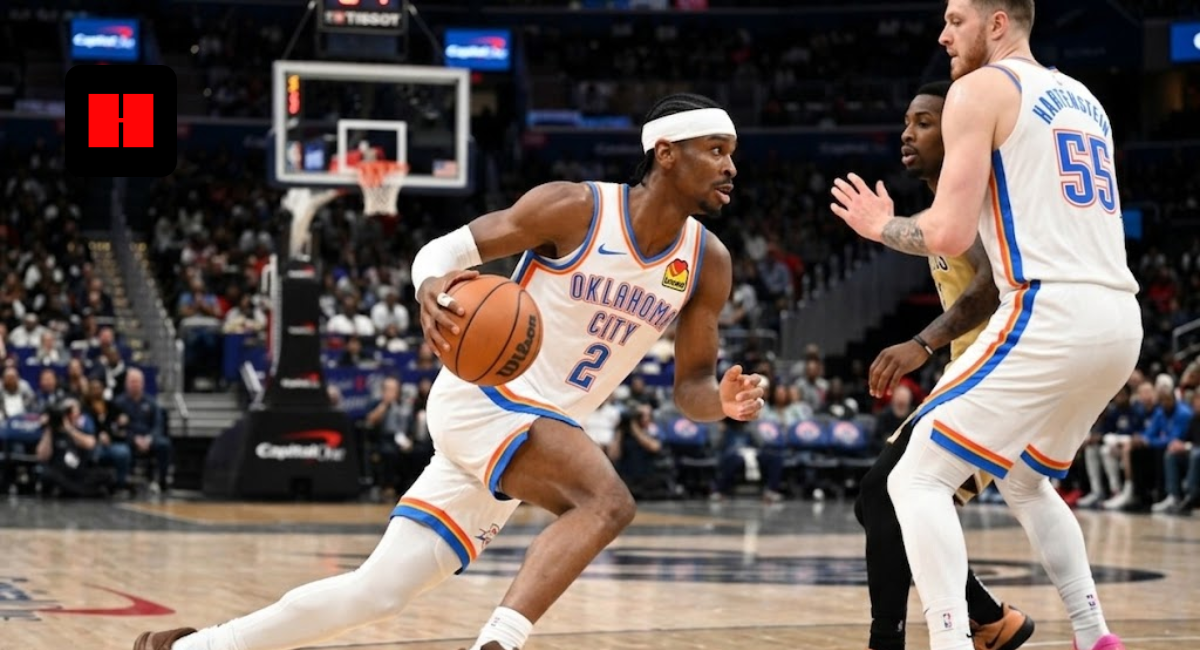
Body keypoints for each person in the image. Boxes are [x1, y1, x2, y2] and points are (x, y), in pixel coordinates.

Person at [134, 93, 767, 650]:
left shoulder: (707, 262)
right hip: (488, 397)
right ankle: (499, 644)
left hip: (540, 433)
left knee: (375, 593)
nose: (731, 167)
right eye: (716, 149)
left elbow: (690, 389)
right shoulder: (575, 209)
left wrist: (724, 403)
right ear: (665, 153)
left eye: (732, 153)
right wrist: (429, 285)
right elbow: (445, 251)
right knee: (606, 502)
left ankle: (196, 648)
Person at [831, 2, 1141, 649]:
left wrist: (876, 226)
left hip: (1047, 311)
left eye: (955, 19)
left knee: (914, 479)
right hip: (1118, 318)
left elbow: (946, 232)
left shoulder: (977, 90)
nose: (943, 35)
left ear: (997, 22)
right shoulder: (1084, 99)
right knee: (1028, 479)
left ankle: (952, 640)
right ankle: (1093, 634)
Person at [853, 81, 1032, 650]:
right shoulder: (944, 208)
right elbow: (941, 244)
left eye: (924, 122)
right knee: (882, 499)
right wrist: (887, 225)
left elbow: (987, 284)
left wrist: (921, 344)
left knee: (886, 494)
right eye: (907, 122)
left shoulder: (976, 194)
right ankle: (992, 618)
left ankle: (895, 639)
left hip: (1004, 371)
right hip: (973, 374)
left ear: (957, 132)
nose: (908, 132)